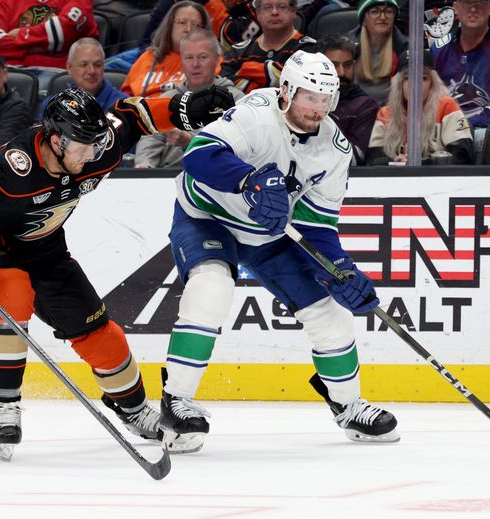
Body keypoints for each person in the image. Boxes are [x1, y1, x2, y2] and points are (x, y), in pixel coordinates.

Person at [0, 86, 234, 460]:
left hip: (47, 251)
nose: (91, 154)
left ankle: (131, 408)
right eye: (81, 146)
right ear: (55, 140)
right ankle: (4, 405)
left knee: (101, 336)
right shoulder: (13, 168)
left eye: (95, 145)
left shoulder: (100, 146)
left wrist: (183, 107)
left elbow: (133, 116)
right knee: (11, 294)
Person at [159, 50, 399, 454]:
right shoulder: (256, 112)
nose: (318, 108)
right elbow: (198, 154)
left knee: (328, 312)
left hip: (270, 235)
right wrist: (248, 181)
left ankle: (348, 405)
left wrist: (337, 268)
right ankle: (176, 402)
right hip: (207, 217)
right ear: (286, 91)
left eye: (326, 99)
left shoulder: (335, 148)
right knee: (211, 288)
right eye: (310, 97)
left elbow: (317, 224)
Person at [135, 29, 244, 168]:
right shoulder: (166, 99)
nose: (195, 64)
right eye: (189, 58)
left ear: (217, 59)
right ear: (181, 60)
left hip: (218, 177)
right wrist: (145, 164)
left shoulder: (236, 100)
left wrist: (191, 141)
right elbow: (150, 138)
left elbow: (239, 145)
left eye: (202, 57)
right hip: (166, 177)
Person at [367, 49, 473, 165]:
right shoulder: (386, 113)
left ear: (432, 83)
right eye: (407, 78)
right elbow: (373, 160)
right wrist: (394, 162)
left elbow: (463, 156)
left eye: (423, 78)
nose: (415, 84)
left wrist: (420, 164)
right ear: (399, 84)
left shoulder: (447, 107)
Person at [430, 0, 490, 130]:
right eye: (467, 3)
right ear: (455, 8)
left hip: (484, 133)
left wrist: (460, 128)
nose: (473, 9)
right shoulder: (439, 49)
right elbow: (425, 97)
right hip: (441, 128)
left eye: (480, 3)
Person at [221, 0, 316, 94]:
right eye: (267, 7)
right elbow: (222, 84)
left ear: (293, 11)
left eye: (282, 7)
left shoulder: (310, 48)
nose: (274, 12)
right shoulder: (239, 50)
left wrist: (248, 69)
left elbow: (303, 85)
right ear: (257, 13)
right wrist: (274, 76)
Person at [121, 1, 211, 97]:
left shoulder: (212, 63)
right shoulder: (147, 58)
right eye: (182, 22)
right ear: (170, 26)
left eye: (196, 25)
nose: (188, 29)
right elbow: (125, 99)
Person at [315, 33, 379, 165]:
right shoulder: (304, 100)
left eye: (347, 65)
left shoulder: (365, 105)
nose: (341, 73)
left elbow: (353, 158)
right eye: (334, 65)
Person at [0, 0, 98, 69]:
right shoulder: (7, 2)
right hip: (10, 71)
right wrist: (42, 43)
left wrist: (19, 35)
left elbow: (62, 31)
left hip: (57, 73)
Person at [40, 38, 126, 117]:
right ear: (69, 67)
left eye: (98, 65)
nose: (91, 71)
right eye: (83, 65)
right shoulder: (52, 105)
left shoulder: (123, 106)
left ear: (104, 67)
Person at [347, 0, 408, 106]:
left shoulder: (406, 49)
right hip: (354, 112)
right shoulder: (346, 48)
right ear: (364, 20)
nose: (383, 17)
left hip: (391, 113)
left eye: (388, 11)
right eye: (375, 12)